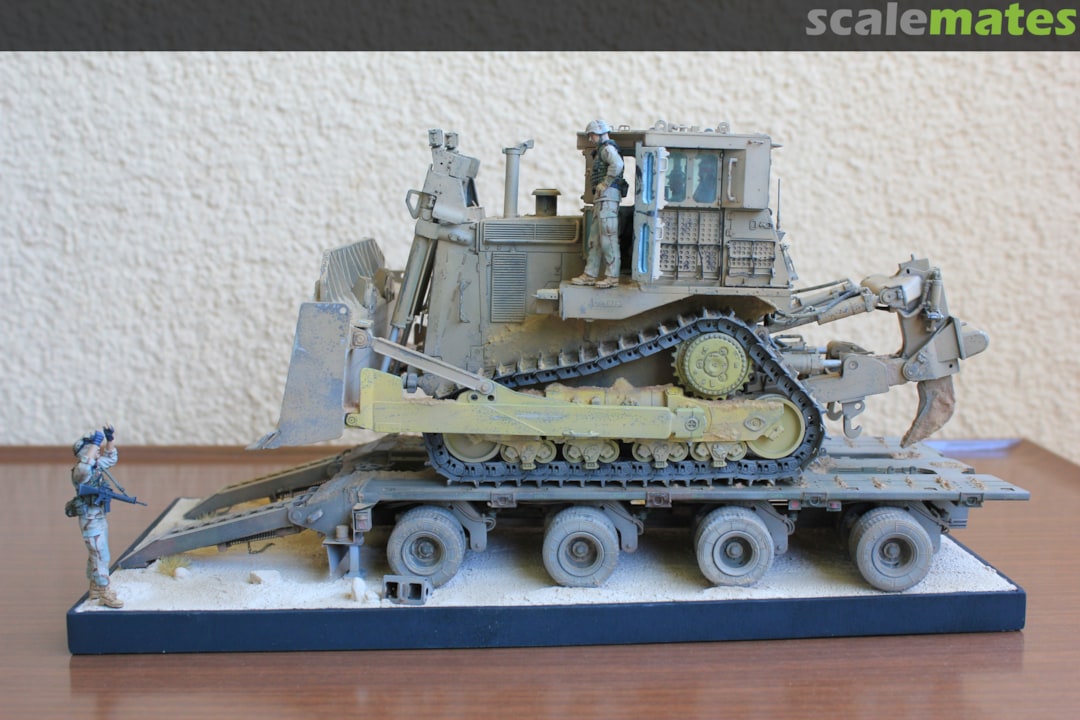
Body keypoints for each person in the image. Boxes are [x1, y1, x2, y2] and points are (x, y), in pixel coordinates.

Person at [69, 426, 123, 608]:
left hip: (99, 517)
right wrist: (95, 443)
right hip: (90, 520)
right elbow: (84, 466)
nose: (97, 449)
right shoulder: (81, 471)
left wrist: (110, 440)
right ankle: (105, 592)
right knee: (101, 555)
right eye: (93, 447)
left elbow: (111, 458)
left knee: (97, 554)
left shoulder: (96, 467)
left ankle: (94, 588)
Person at [573, 119, 625, 290]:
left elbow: (617, 164)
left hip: (608, 199)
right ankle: (590, 274)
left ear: (601, 133)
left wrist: (606, 183)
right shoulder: (602, 150)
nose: (591, 139)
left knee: (608, 238)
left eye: (593, 135)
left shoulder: (608, 149)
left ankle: (612, 276)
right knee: (594, 239)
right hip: (601, 200)